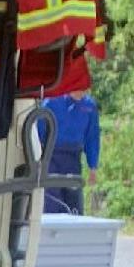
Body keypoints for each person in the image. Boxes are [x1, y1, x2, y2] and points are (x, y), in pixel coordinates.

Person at [40, 81, 101, 212]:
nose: (81, 91)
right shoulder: (51, 102)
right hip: (51, 157)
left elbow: (92, 137)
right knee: (52, 202)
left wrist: (93, 167)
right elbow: (39, 131)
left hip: (73, 159)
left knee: (74, 203)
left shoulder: (89, 106)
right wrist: (37, 158)